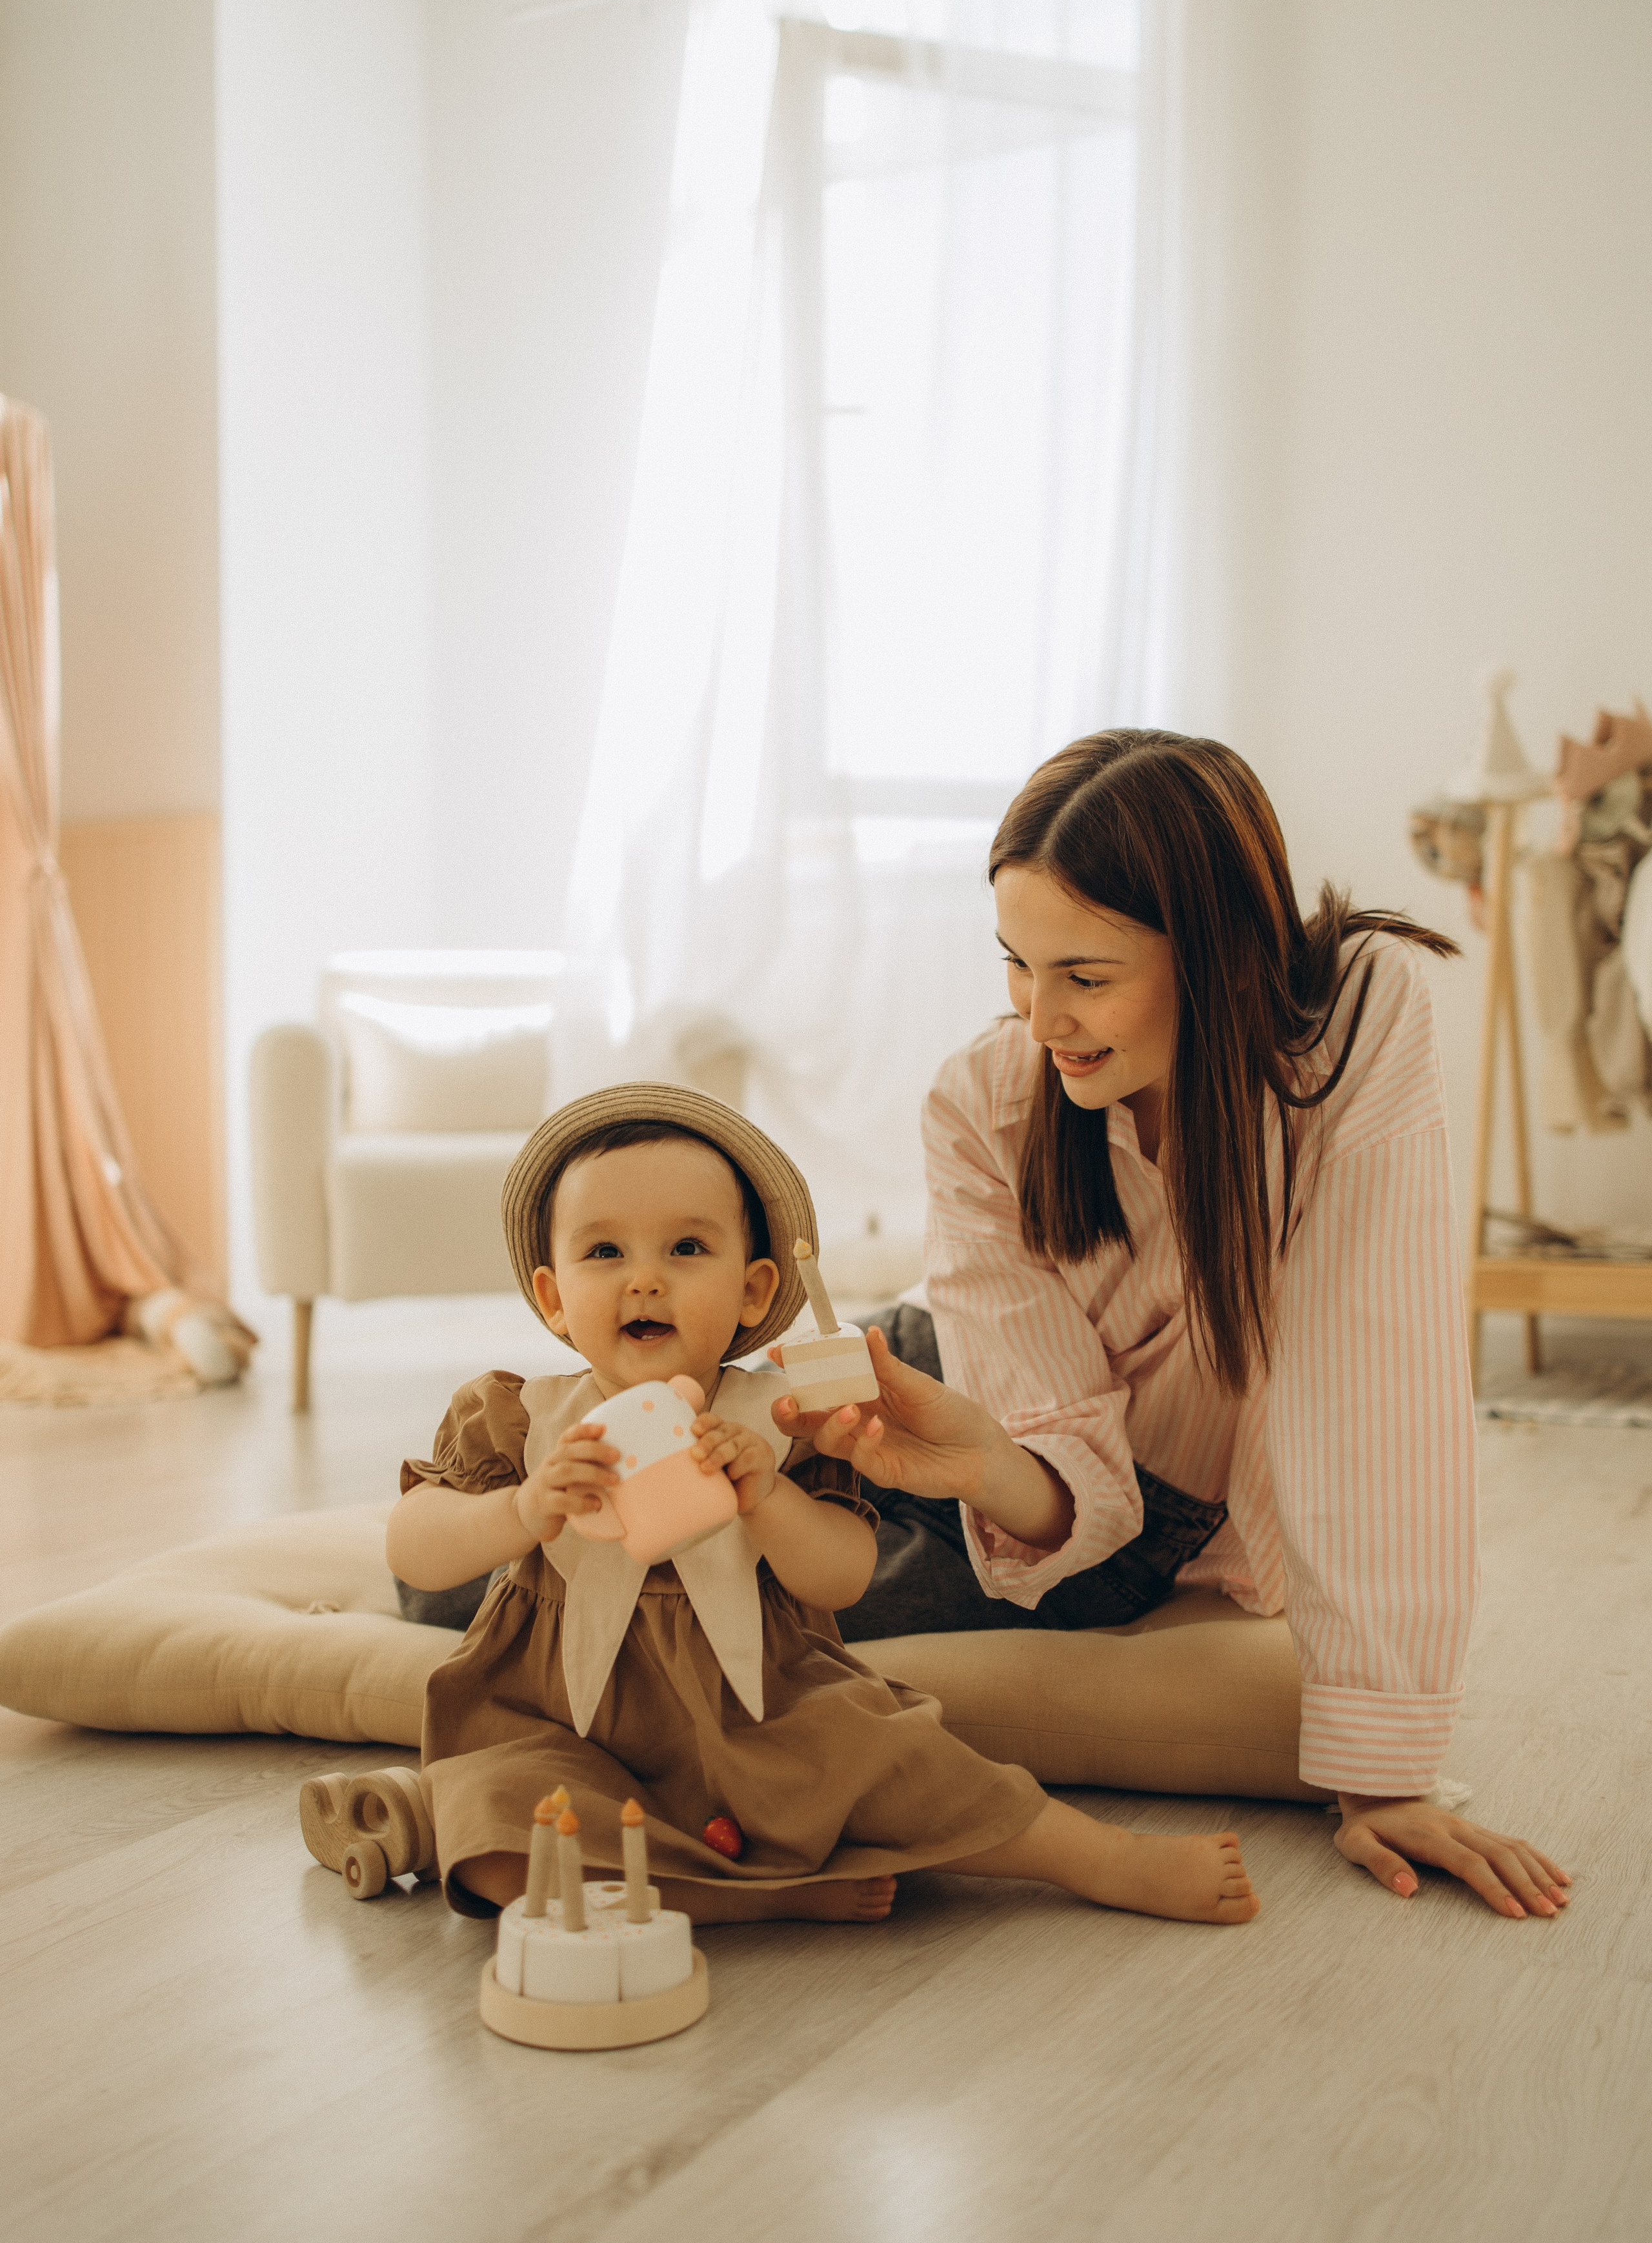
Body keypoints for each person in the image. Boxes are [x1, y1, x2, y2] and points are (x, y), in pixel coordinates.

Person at [789, 730, 1572, 1924]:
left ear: (1210, 954)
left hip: (1042, 1496)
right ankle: (448, 1526)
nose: (1041, 1020)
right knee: (644, 1501)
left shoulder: (1348, 1022)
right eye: (1018, 965)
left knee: (728, 1611)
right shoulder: (982, 1099)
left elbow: (1371, 1383)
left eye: (1085, 976)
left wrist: (1380, 1779)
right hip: (958, 1397)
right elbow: (1039, 1418)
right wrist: (987, 1458)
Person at [348, 1085, 1259, 1929]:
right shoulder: (517, 1416)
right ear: (553, 1297)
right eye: (604, 1252)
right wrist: (522, 1511)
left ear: (751, 1289)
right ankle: (730, 1901)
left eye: (687, 1249)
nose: (645, 1279)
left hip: (757, 1708)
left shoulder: (782, 1419)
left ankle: (1099, 1859)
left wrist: (768, 1497)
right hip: (560, 1722)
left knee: (904, 1756)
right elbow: (416, 1551)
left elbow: (844, 1573)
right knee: (498, 1841)